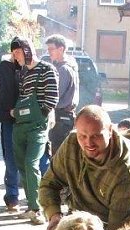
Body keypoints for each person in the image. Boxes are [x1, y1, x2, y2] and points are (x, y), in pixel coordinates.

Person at [11, 37, 58, 225]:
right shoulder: (22, 73)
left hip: (37, 126)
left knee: (32, 164)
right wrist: (17, 112)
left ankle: (38, 208)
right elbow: (23, 97)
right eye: (13, 53)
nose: (16, 56)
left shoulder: (47, 69)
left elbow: (52, 98)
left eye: (18, 52)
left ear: (27, 50)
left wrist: (40, 116)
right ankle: (31, 206)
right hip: (21, 126)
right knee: (22, 165)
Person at [39, 34, 79, 175]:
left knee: (58, 156)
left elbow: (54, 95)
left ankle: (58, 188)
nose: (49, 52)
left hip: (60, 117)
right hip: (63, 117)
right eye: (48, 49)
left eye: (52, 49)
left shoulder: (63, 70)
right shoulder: (69, 66)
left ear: (61, 49)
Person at [0, 51, 21, 212]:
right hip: (8, 121)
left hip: (31, 122)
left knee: (32, 162)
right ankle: (12, 195)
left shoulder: (34, 68)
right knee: (11, 160)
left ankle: (33, 198)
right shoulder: (0, 69)